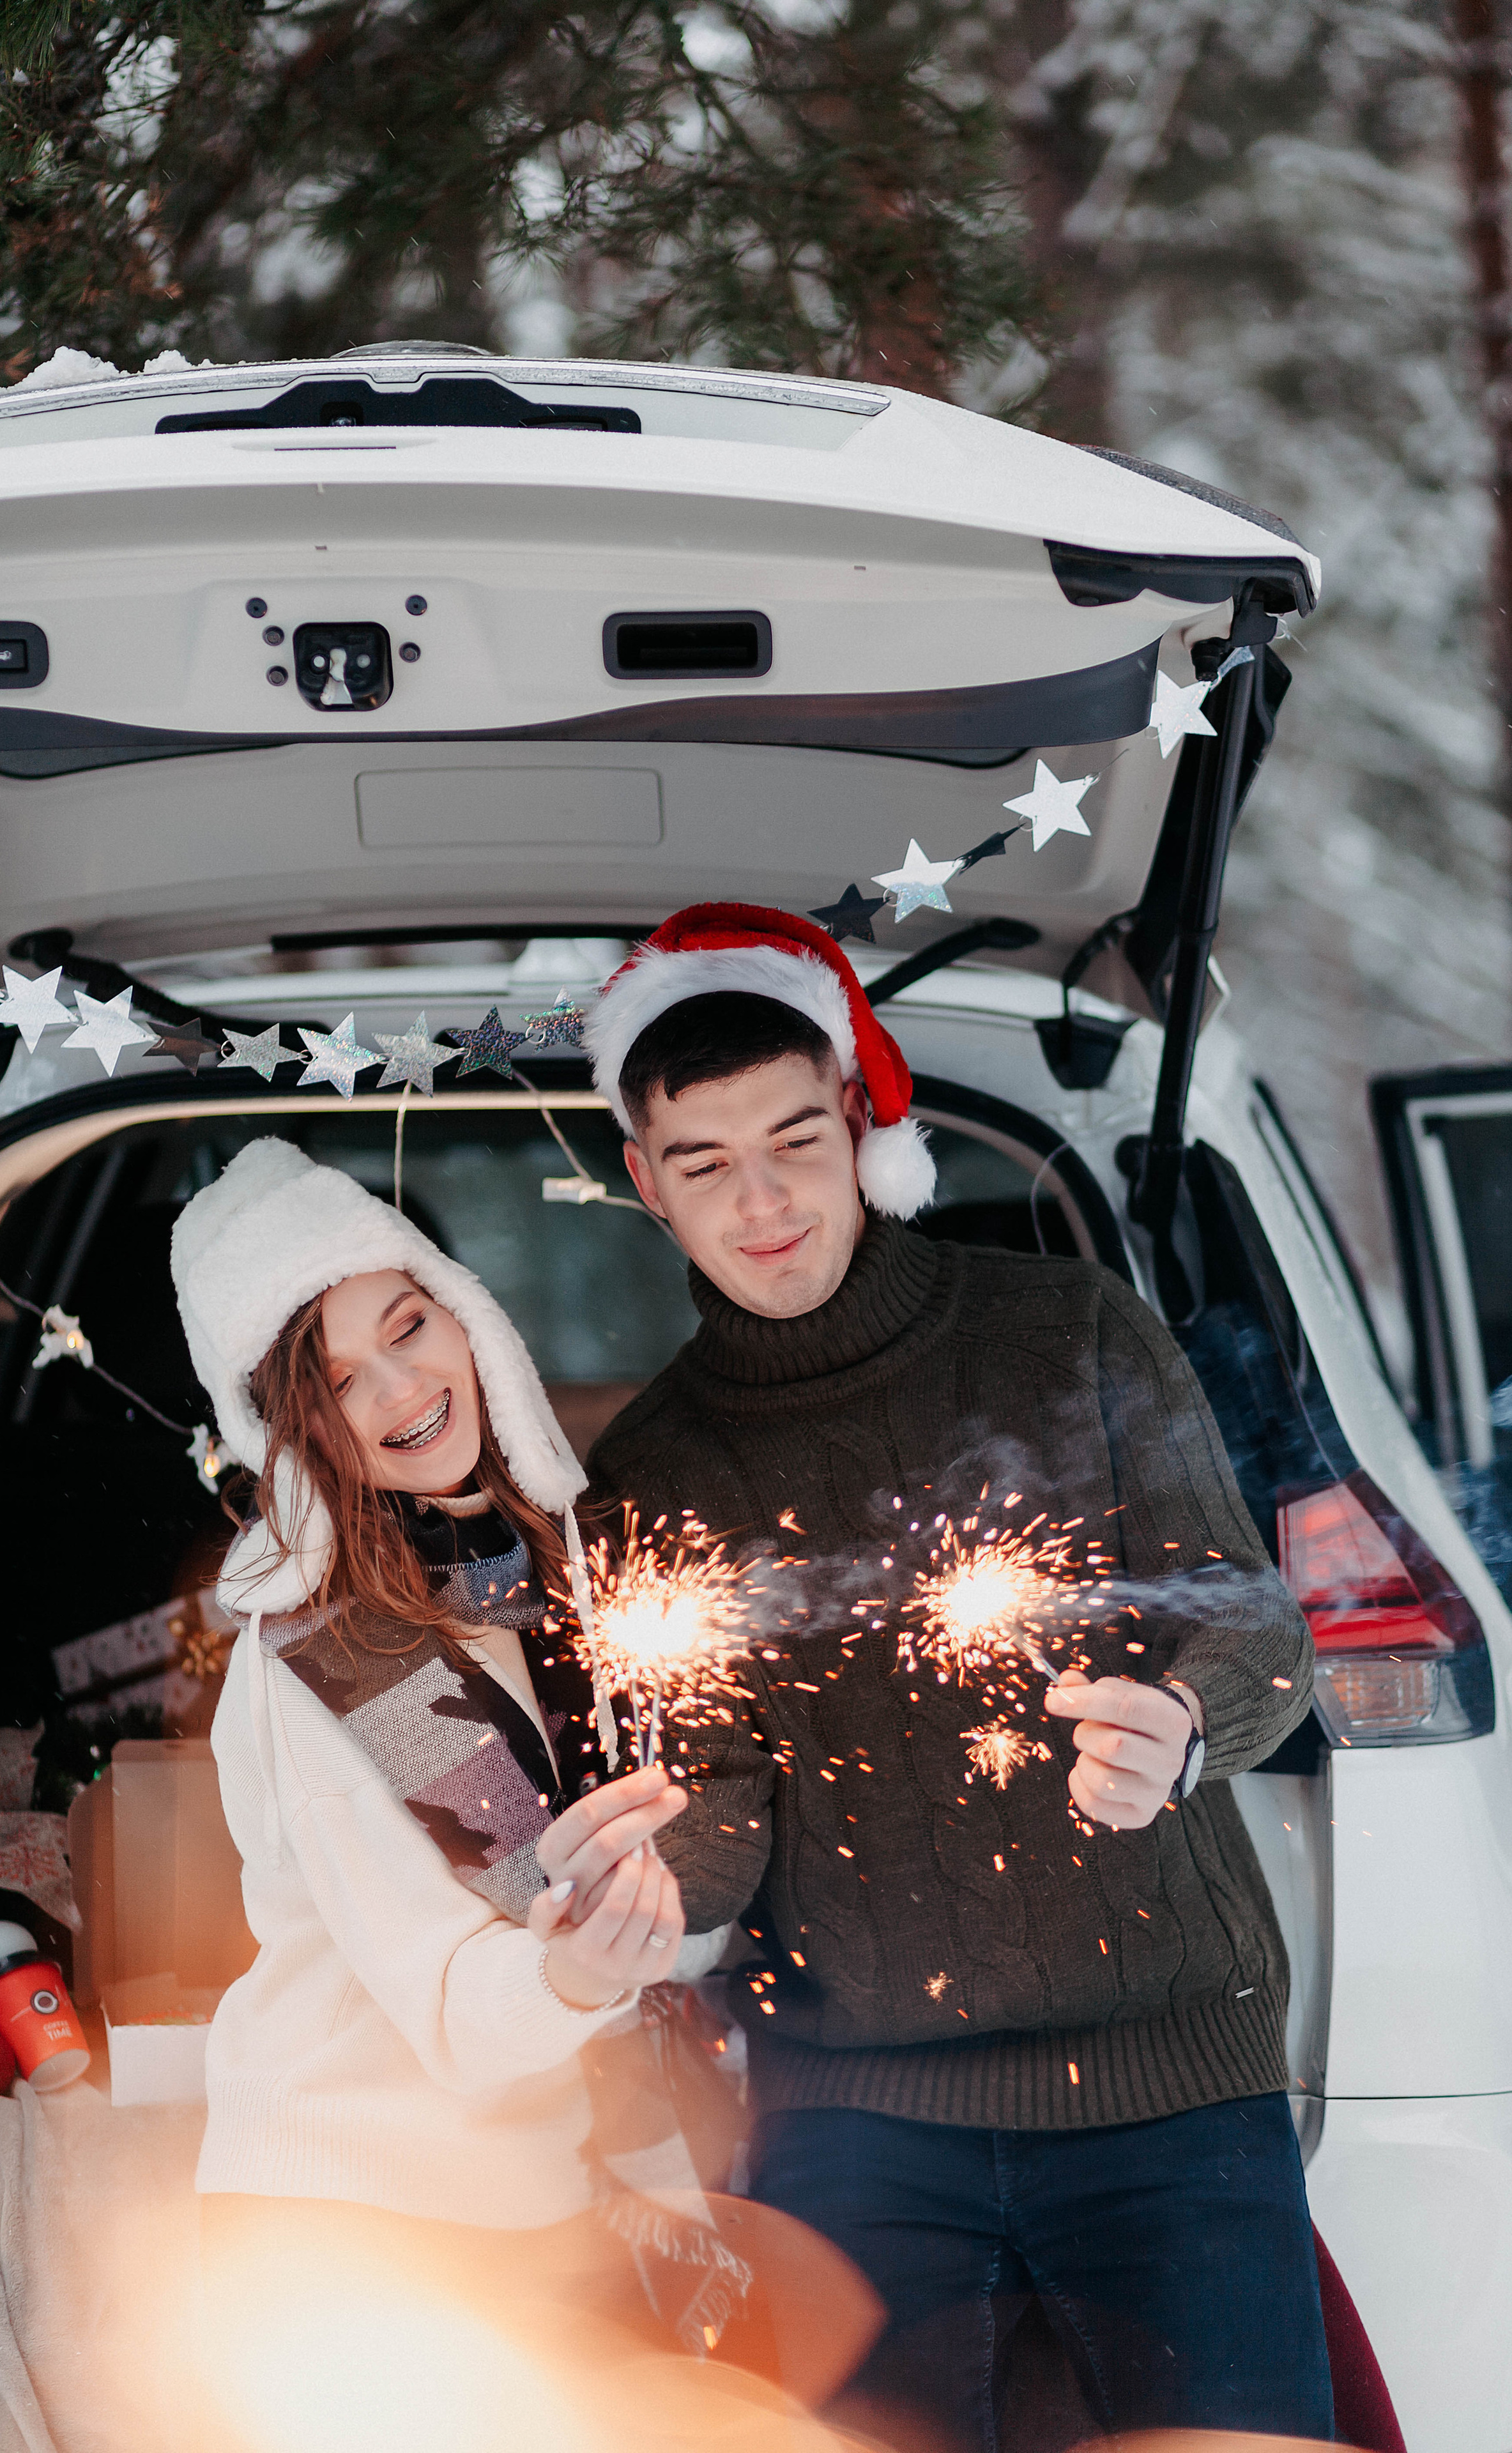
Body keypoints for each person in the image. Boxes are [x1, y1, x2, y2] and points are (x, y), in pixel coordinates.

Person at [582, 903, 1331, 2450]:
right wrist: (643, 1896)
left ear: (858, 1123)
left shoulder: (1067, 1330)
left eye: (794, 1137)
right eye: (705, 1164)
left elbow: (1254, 1620)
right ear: (646, 1188)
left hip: (1167, 2086)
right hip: (853, 2119)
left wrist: (1183, 1726)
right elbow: (718, 1797)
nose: (764, 1198)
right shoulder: (653, 1468)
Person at [169, 1136, 728, 2334]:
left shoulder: (540, 1568)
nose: (402, 1392)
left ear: (466, 1311)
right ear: (291, 1433)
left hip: (534, 2200)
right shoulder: (330, 1648)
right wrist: (580, 1966)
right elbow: (456, 2011)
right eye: (338, 1383)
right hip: (352, 2222)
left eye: (408, 1327)